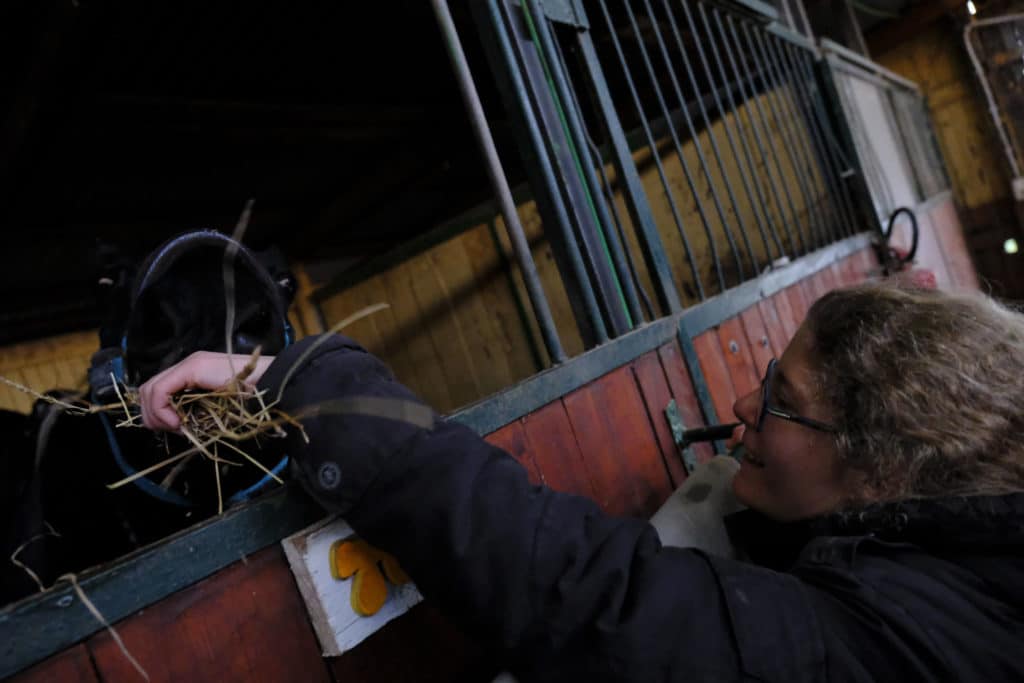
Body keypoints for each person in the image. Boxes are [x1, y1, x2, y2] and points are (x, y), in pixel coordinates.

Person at [139, 282, 1024, 681]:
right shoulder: (966, 570)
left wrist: (298, 385)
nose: (744, 415)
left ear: (884, 467)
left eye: (781, 404)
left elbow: (581, 593)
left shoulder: (905, 644)